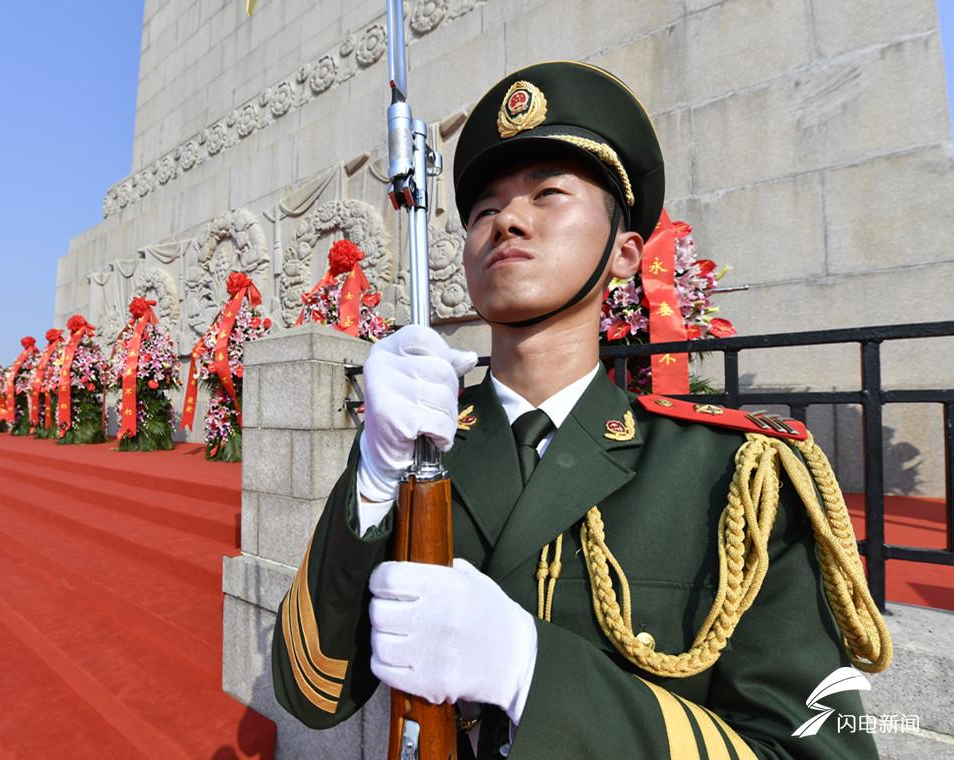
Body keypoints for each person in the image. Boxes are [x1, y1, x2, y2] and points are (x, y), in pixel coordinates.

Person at [271, 62, 889, 759]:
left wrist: (532, 673)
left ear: (626, 254)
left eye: (549, 194)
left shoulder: (733, 476)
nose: (507, 219)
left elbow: (823, 749)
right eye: (483, 210)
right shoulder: (419, 452)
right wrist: (373, 479)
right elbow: (309, 691)